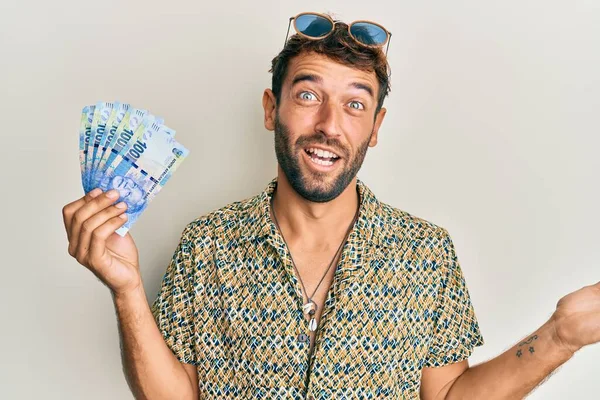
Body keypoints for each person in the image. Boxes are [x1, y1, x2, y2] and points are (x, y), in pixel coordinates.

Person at [62, 12, 600, 400]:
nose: (329, 126)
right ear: (272, 108)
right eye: (307, 95)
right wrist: (127, 288)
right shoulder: (206, 245)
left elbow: (449, 397)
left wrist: (559, 336)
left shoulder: (426, 253)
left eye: (355, 104)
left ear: (376, 127)